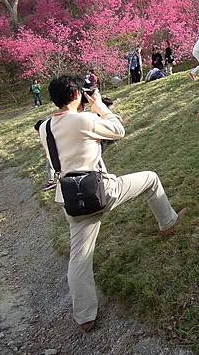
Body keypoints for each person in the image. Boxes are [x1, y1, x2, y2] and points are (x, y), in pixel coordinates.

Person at [37, 75, 186, 333]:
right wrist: (99, 106)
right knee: (151, 179)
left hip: (70, 198)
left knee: (80, 256)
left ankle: (85, 317)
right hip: (101, 192)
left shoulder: (45, 127)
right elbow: (118, 130)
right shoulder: (83, 119)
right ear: (75, 95)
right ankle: (168, 222)